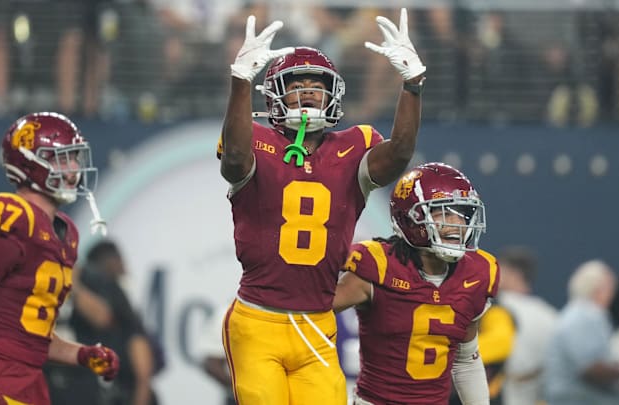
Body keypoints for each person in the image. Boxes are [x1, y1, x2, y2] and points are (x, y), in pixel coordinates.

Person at [218, 8, 426, 404]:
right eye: (298, 84)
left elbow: (399, 154)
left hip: (317, 322)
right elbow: (233, 162)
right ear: (275, 94)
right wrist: (241, 83)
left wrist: (412, 85)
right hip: (258, 320)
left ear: (334, 94)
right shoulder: (256, 140)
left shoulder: (354, 146)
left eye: (318, 85)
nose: (310, 91)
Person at [0, 112, 118, 404]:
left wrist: (79, 354)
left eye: (74, 158)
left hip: (25, 384)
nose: (73, 170)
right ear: (28, 163)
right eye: (61, 159)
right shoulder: (13, 215)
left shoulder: (65, 232)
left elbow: (28, 336)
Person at [334, 162, 494, 405]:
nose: (457, 224)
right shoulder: (378, 266)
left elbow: (465, 359)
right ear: (411, 218)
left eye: (463, 214)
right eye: (444, 213)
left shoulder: (477, 272)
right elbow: (310, 312)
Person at [68, 240, 158, 405]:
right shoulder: (102, 291)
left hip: (128, 394)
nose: (123, 264)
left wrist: (74, 283)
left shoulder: (117, 298)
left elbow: (140, 357)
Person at [543, 260, 619, 405]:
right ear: (600, 289)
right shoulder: (586, 316)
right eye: (612, 287)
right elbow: (591, 369)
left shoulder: (578, 314)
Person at [496, 246, 558, 405]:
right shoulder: (550, 315)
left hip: (493, 394)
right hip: (534, 397)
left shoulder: (491, 306)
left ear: (512, 273)